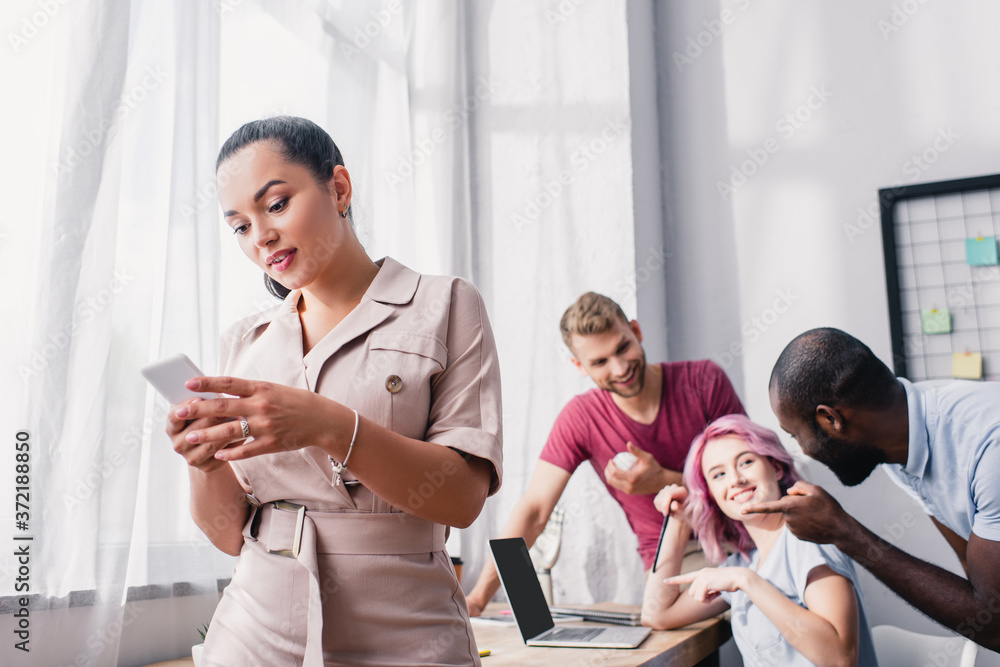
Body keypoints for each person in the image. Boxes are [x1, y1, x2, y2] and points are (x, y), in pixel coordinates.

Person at [165, 116, 502, 666]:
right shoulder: (243, 343)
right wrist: (202, 462)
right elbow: (228, 536)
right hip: (254, 633)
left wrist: (330, 426)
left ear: (338, 188)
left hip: (407, 630)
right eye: (240, 226)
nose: (261, 236)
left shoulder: (444, 306)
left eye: (275, 205)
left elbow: (463, 498)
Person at [465, 292, 744, 615]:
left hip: (740, 535)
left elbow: (755, 475)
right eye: (600, 362)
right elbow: (534, 511)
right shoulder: (582, 417)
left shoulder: (703, 381)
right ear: (579, 366)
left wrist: (663, 480)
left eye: (623, 347)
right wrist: (477, 600)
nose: (620, 368)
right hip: (673, 560)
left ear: (636, 332)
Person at [748, 327, 1000, 652]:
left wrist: (845, 533)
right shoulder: (899, 443)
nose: (803, 450)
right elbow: (975, 576)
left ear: (830, 420)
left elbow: (993, 624)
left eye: (795, 435)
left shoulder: (987, 447)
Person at [642, 415, 878, 666]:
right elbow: (657, 615)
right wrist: (678, 521)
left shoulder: (809, 542)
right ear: (712, 496)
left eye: (746, 462)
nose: (735, 479)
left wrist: (747, 582)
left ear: (776, 468)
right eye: (718, 475)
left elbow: (840, 657)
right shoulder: (744, 564)